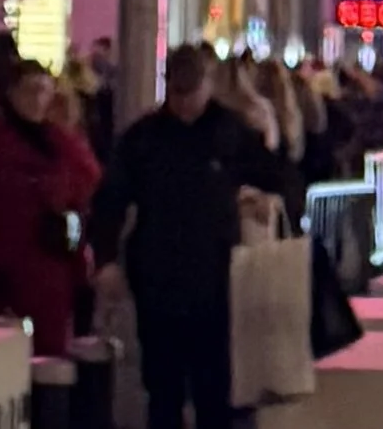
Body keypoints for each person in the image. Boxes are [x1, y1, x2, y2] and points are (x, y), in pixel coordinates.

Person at [91, 40, 263, 429]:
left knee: (213, 389)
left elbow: (276, 175)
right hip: (160, 277)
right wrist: (105, 260)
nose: (184, 103)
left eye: (191, 92)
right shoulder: (144, 139)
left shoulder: (229, 131)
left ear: (208, 84)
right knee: (163, 389)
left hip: (215, 278)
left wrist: (265, 196)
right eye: (178, 92)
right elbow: (110, 201)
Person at [0, 55, 103, 357]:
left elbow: (88, 186)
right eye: (29, 90)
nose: (37, 100)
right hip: (5, 274)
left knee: (48, 362)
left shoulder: (60, 141)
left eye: (43, 91)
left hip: (52, 271)